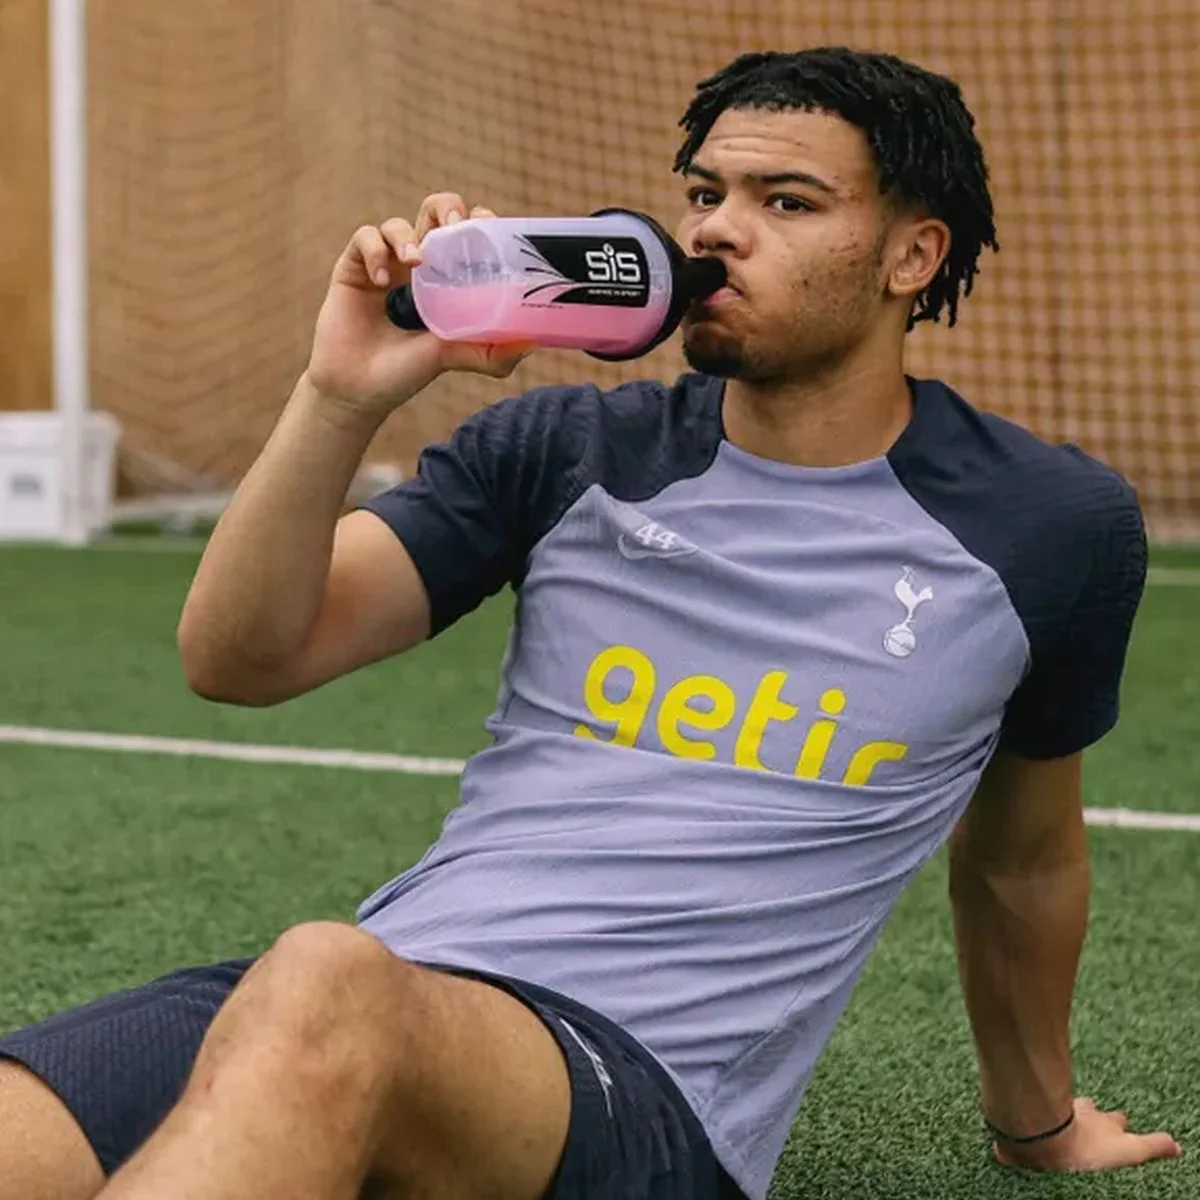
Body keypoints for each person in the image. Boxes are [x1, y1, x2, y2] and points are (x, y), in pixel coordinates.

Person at [0, 45, 1183, 1200]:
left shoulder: (1042, 528)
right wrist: (339, 396)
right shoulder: (565, 453)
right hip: (390, 1000)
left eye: (786, 201)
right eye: (705, 195)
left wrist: (1037, 1126)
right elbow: (240, 658)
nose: (717, 231)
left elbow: (1023, 858)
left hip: (641, 1092)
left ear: (911, 256)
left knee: (322, 979)